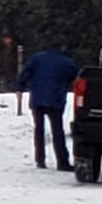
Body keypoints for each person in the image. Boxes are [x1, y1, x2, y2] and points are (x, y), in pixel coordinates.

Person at [16, 42, 80, 171]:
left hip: (38, 98)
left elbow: (25, 73)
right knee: (57, 130)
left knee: (39, 129)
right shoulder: (66, 62)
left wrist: (20, 88)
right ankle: (62, 162)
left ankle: (40, 160)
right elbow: (77, 78)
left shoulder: (37, 58)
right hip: (55, 99)